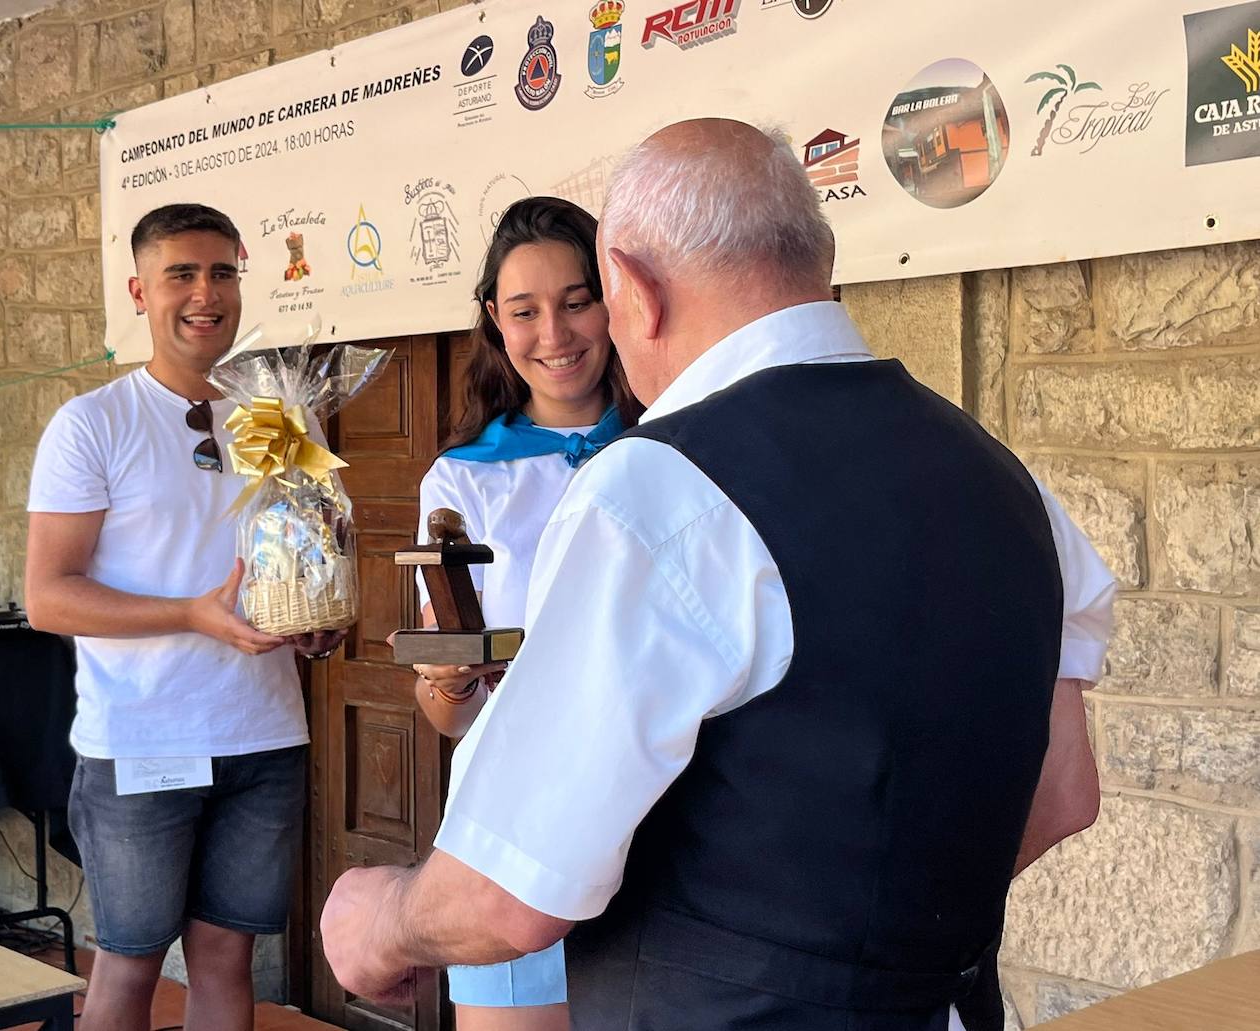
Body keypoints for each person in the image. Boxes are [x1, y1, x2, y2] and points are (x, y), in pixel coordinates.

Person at [319, 120, 1116, 1031]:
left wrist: (380, 918)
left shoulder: (659, 485)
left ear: (636, 290)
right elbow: (1062, 793)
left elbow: (510, 896)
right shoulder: (1010, 482)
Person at [25, 203, 341, 1031]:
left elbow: (305, 556)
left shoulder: (279, 417)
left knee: (226, 958)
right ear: (140, 290)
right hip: (142, 742)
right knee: (127, 964)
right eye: (182, 274)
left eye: (223, 272)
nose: (206, 293)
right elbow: (48, 594)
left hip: (263, 733)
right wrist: (191, 616)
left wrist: (317, 618)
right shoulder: (92, 424)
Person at [407, 196, 642, 1031]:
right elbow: (447, 716)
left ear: (617, 297)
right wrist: (447, 679)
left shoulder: (672, 449)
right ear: (492, 321)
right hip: (517, 827)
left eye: (578, 300)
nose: (556, 332)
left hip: (666, 821)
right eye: (525, 310)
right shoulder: (463, 483)